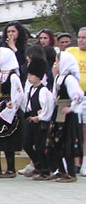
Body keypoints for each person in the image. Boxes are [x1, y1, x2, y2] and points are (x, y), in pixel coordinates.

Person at [0, 47, 24, 178]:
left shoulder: (13, 77)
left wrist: (12, 105)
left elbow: (18, 94)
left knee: (8, 140)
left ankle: (11, 169)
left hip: (8, 111)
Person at [48, 52, 83, 182]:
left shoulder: (69, 79)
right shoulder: (58, 78)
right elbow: (54, 96)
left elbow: (79, 96)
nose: (55, 64)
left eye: (57, 61)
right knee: (55, 142)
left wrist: (71, 108)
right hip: (58, 114)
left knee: (67, 143)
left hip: (67, 116)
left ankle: (71, 173)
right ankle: (61, 170)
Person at [22, 58, 54, 180]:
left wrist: (40, 117)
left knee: (40, 147)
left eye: (31, 75)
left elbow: (48, 107)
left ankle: (45, 170)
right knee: (27, 144)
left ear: (39, 76)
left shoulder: (44, 90)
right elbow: (29, 105)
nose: (29, 77)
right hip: (32, 120)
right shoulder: (31, 89)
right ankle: (38, 165)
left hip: (40, 123)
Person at [65, 29, 86, 177]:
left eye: (84, 38)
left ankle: (84, 161)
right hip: (73, 97)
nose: (81, 40)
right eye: (79, 37)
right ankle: (71, 162)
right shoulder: (71, 51)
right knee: (73, 130)